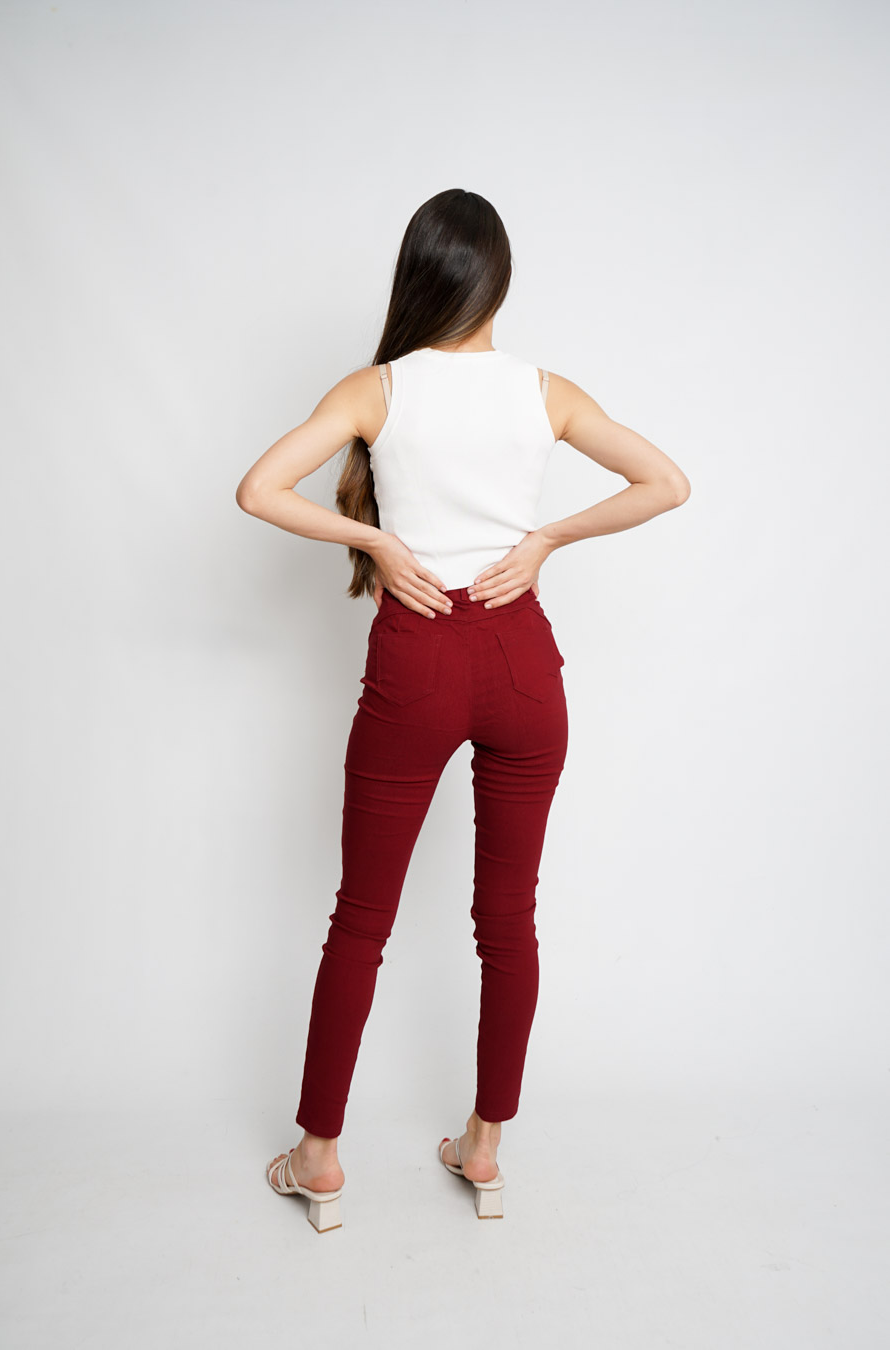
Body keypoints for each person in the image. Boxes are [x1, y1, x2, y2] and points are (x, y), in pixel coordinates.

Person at [236, 188, 691, 1231]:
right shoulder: (546, 391)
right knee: (509, 919)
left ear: (418, 275)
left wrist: (379, 543)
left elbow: (259, 489)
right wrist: (544, 542)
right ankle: (484, 1148)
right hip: (523, 659)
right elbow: (666, 483)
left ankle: (319, 1158)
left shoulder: (378, 389)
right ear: (500, 280)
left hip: (419, 656)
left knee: (361, 918)